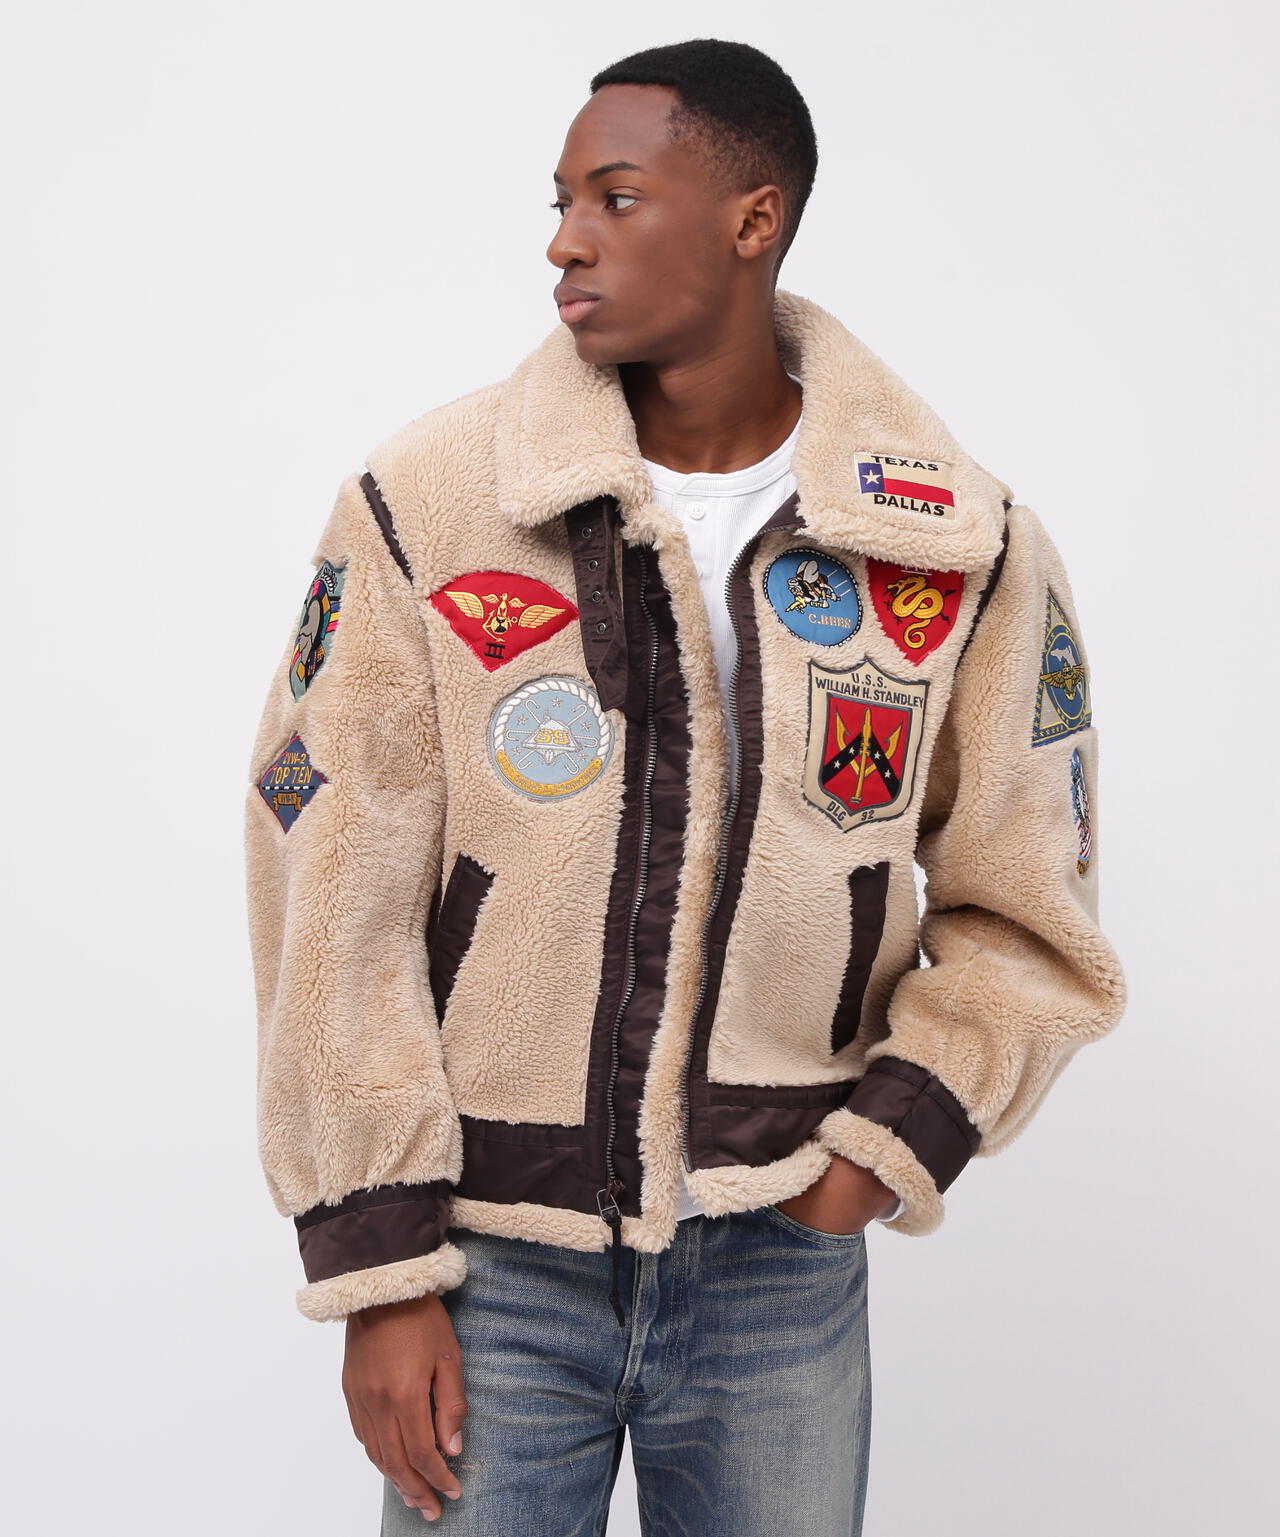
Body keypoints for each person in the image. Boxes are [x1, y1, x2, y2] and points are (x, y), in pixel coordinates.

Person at [244, 36, 1126, 1535]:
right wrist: (379, 1263)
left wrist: (886, 1146)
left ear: (751, 220)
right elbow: (331, 885)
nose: (564, 240)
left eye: (615, 196)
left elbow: (1030, 902)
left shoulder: (953, 539)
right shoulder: (430, 505)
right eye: (561, 201)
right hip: (490, 1262)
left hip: (779, 1260)